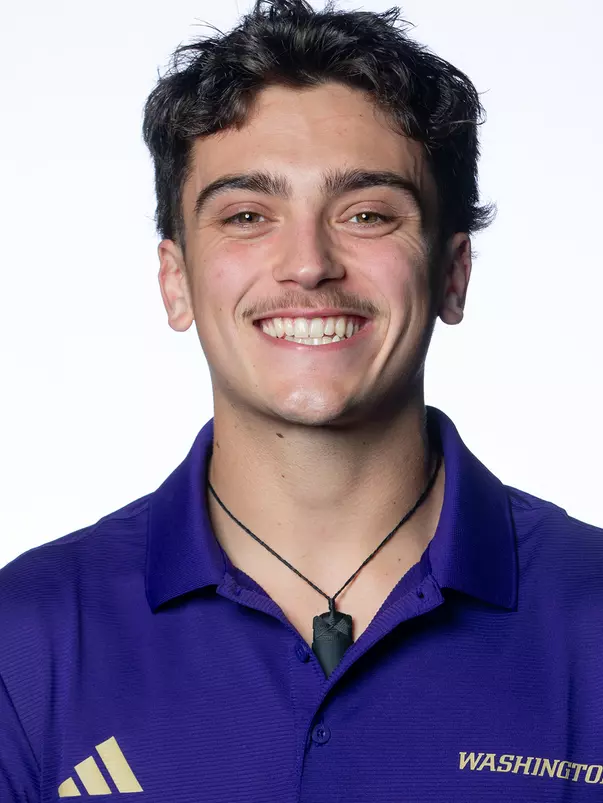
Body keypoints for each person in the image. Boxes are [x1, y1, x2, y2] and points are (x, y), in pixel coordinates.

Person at [2, 0, 602, 799]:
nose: (309, 263)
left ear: (452, 273)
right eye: (248, 215)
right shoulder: (28, 637)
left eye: (366, 213)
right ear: (175, 281)